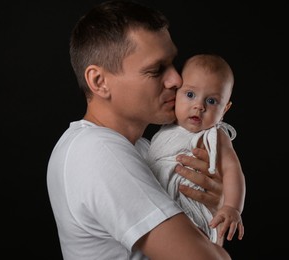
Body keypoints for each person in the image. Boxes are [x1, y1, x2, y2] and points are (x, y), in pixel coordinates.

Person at [46, 1, 231, 259]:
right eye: (156, 70)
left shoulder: (145, 149)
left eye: (172, 63)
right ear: (99, 82)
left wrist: (212, 212)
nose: (176, 79)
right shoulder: (96, 151)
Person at [147, 54, 246, 244]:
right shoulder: (167, 126)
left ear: (225, 109)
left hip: (192, 208)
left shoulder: (215, 136)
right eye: (190, 95)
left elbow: (233, 170)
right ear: (177, 94)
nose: (199, 106)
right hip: (161, 203)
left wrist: (232, 207)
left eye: (211, 101)